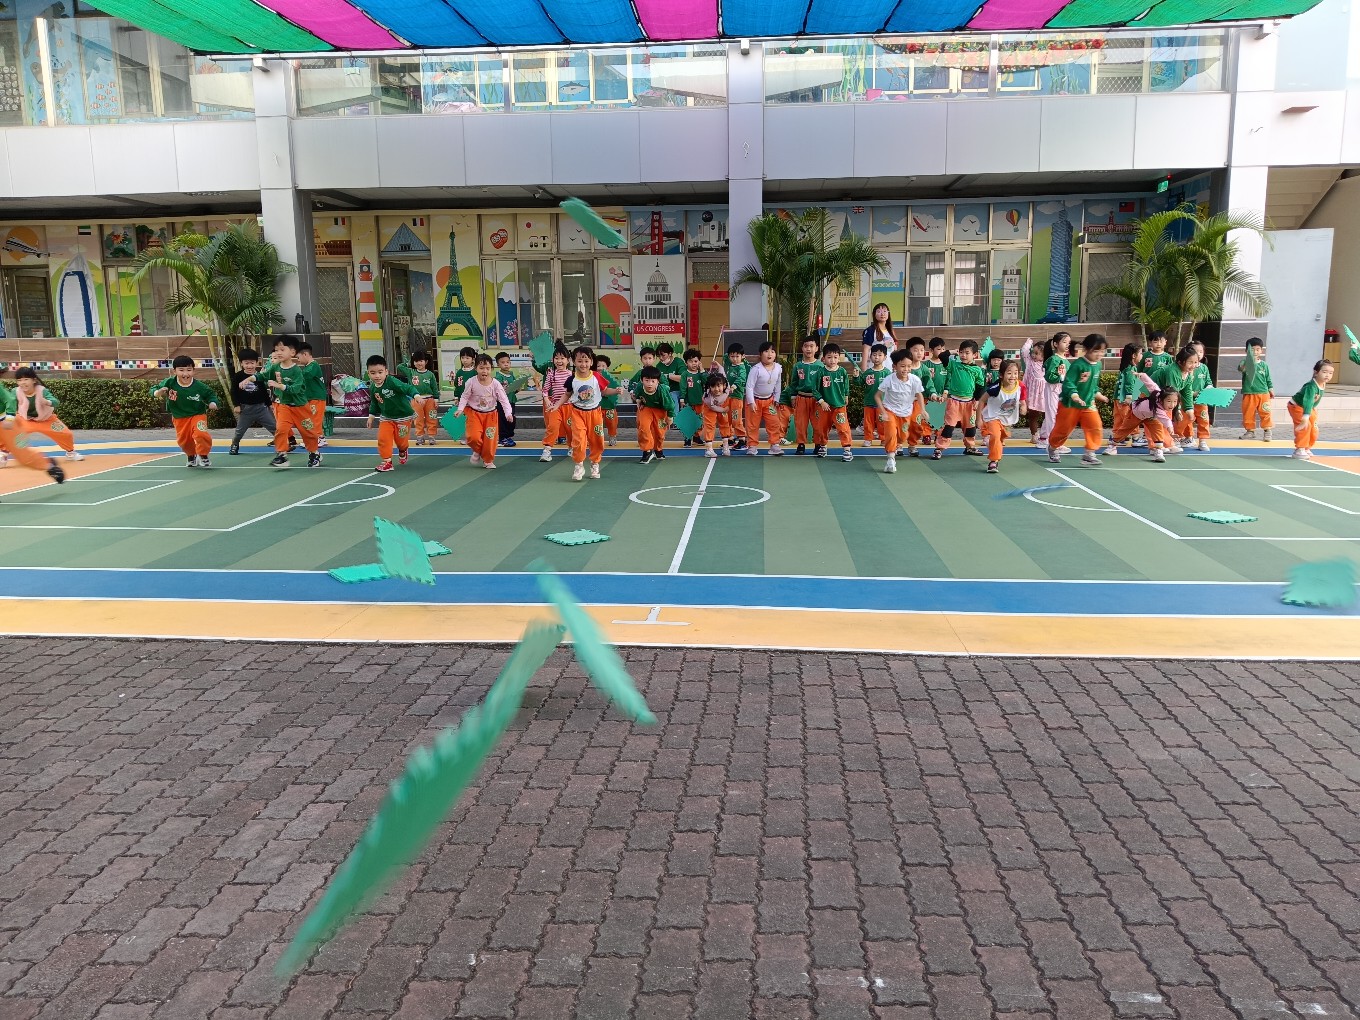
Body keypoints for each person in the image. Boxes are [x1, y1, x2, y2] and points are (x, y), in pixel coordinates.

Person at [255, 336, 322, 468]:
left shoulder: (297, 370)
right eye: (276, 350)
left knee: (308, 432)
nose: (278, 353)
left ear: (292, 352)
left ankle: (314, 453)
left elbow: (296, 389)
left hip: (300, 407)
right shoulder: (275, 367)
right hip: (284, 406)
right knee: (281, 429)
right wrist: (251, 378)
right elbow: (264, 376)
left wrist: (279, 386)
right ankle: (282, 455)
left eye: (282, 349)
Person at [1047, 333, 1109, 466]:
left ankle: (1089, 453)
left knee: (1095, 426)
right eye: (1096, 351)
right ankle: (1053, 447)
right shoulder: (1078, 365)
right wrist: (1075, 396)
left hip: (1088, 403)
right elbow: (1069, 383)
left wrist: (1099, 395)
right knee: (1063, 430)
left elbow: (1093, 385)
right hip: (1070, 404)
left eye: (1102, 351)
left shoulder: (1097, 365)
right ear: (1086, 349)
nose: (1099, 354)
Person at [0, 369, 65, 486]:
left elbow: (10, 400)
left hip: (7, 424)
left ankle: (49, 466)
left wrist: (9, 418)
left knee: (24, 457)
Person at [152, 355, 219, 467]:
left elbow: (211, 395)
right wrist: (158, 393)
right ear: (174, 371)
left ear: (193, 370)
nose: (185, 374)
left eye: (189, 370)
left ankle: (203, 455)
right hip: (179, 417)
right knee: (184, 441)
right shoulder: (169, 382)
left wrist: (213, 403)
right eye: (181, 370)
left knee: (201, 434)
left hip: (198, 414)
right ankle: (191, 455)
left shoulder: (199, 386)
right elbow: (154, 389)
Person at [456, 354, 514, 469]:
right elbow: (464, 396)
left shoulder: (495, 384)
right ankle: (477, 450)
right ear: (476, 368)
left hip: (490, 415)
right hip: (474, 414)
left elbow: (504, 399)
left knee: (490, 439)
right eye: (481, 368)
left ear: (491, 369)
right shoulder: (471, 382)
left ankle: (488, 460)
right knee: (473, 437)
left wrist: (508, 413)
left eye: (487, 368)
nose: (484, 371)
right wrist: (460, 409)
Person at [13, 368, 82, 461]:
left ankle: (70, 453)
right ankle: (3, 454)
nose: (22, 383)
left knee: (66, 434)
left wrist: (47, 402)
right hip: (25, 420)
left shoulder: (42, 391)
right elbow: (9, 403)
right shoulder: (15, 391)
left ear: (34, 380)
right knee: (10, 433)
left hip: (46, 420)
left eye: (26, 379)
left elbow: (56, 402)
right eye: (19, 380)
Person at [932, 339, 984, 460]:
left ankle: (970, 447)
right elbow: (942, 356)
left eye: (967, 353)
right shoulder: (954, 365)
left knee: (970, 427)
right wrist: (952, 351)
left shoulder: (977, 370)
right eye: (961, 352)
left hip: (969, 403)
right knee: (948, 427)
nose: (963, 355)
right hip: (954, 402)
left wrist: (977, 400)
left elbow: (980, 387)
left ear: (975, 355)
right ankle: (939, 448)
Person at [876, 349, 925, 475]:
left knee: (903, 436)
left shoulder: (914, 380)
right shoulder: (889, 379)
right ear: (894, 366)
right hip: (890, 410)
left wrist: (923, 410)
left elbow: (919, 395)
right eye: (903, 366)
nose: (906, 369)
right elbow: (877, 396)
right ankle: (890, 459)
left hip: (905, 413)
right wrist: (883, 412)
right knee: (891, 432)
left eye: (909, 366)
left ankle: (897, 445)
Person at [365, 355, 417, 472]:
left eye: (380, 372)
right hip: (386, 417)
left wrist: (416, 395)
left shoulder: (392, 381)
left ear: (386, 372)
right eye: (373, 373)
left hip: (403, 416)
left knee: (401, 442)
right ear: (368, 374)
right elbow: (374, 402)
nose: (377, 376)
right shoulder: (373, 387)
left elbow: (407, 388)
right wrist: (371, 416)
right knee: (383, 438)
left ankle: (403, 450)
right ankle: (387, 462)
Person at [566, 345, 608, 481]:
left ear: (591, 362)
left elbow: (605, 391)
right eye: (579, 361)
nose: (583, 364)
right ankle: (579, 465)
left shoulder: (596, 376)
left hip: (595, 413)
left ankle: (595, 463)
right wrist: (556, 405)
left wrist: (616, 391)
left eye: (586, 361)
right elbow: (567, 394)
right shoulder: (572, 379)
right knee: (578, 439)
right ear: (574, 361)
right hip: (577, 412)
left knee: (597, 440)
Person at [979, 360, 1026, 474]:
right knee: (995, 436)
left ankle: (993, 444)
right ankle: (993, 461)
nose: (1013, 376)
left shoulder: (1020, 386)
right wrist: (978, 419)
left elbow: (1022, 400)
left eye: (1015, 373)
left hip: (1007, 419)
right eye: (1009, 373)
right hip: (993, 416)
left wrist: (1024, 407)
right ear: (1001, 375)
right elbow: (982, 400)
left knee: (1001, 438)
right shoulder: (996, 388)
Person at [1150, 346, 1199, 455]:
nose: (1193, 365)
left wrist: (1189, 409)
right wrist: (1177, 410)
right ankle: (1155, 446)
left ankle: (1167, 444)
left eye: (1196, 362)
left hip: (1164, 397)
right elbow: (1172, 392)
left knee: (1165, 419)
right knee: (1155, 421)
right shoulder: (1172, 371)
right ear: (1181, 362)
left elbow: (1187, 391)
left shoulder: (1188, 373)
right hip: (1150, 394)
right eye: (1190, 362)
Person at [813, 342, 857, 461]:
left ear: (839, 358)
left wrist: (846, 396)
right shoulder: (820, 372)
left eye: (835, 357)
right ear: (823, 359)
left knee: (843, 428)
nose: (832, 360)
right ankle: (823, 446)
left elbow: (846, 385)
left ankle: (847, 450)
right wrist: (821, 401)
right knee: (822, 428)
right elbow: (814, 389)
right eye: (829, 357)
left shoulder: (842, 371)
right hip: (825, 407)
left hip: (839, 406)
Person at [229, 348, 277, 456]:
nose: (249, 366)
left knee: (274, 427)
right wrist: (236, 405)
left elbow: (264, 392)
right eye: (246, 363)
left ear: (257, 363)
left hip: (261, 409)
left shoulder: (259, 376)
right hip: (246, 410)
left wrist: (269, 404)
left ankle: (282, 445)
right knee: (239, 431)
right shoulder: (238, 376)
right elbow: (233, 392)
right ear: (241, 363)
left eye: (252, 363)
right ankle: (234, 445)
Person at [1105, 343, 1147, 456]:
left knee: (1119, 418)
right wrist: (1129, 396)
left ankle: (1117, 436)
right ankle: (1136, 437)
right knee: (1130, 418)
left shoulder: (1125, 368)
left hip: (1118, 398)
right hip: (1125, 399)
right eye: (1140, 353)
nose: (1142, 355)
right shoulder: (1130, 369)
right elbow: (1129, 384)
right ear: (1134, 355)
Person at [743, 340, 783, 456]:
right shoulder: (756, 369)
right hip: (755, 401)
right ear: (760, 354)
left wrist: (776, 399)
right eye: (766, 351)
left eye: (772, 351)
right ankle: (752, 446)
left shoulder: (778, 368)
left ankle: (774, 445)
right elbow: (749, 386)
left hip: (770, 401)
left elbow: (778, 384)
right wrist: (751, 402)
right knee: (752, 424)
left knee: (774, 423)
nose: (769, 354)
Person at [1289, 359, 1333, 460]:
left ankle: (1307, 447)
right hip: (1297, 406)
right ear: (1316, 372)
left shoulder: (1322, 383)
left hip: (1309, 408)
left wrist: (1313, 409)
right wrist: (1305, 417)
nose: (1327, 375)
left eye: (1330, 373)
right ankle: (1300, 449)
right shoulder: (1311, 386)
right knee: (1306, 426)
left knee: (1314, 428)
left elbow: (1313, 401)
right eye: (1324, 372)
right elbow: (1308, 401)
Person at [1175, 340, 1213, 451]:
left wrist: (1209, 389)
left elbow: (1208, 382)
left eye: (1201, 351)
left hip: (1201, 400)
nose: (1199, 354)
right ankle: (1180, 438)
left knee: (1203, 420)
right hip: (1186, 400)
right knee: (1184, 420)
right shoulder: (1184, 368)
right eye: (1196, 351)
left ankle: (1203, 441)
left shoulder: (1204, 368)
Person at [634, 366, 675, 464]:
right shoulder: (639, 386)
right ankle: (647, 451)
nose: (650, 384)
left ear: (658, 381)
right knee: (643, 427)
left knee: (660, 432)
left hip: (660, 410)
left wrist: (670, 417)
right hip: (646, 408)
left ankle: (658, 449)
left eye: (653, 381)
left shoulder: (662, 391)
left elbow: (670, 405)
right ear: (642, 380)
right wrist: (638, 400)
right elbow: (637, 394)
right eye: (647, 380)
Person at [538, 347, 573, 463]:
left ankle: (572, 447)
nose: (559, 361)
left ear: (568, 360)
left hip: (569, 407)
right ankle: (547, 450)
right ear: (553, 360)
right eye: (556, 358)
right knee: (552, 427)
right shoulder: (551, 374)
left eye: (562, 358)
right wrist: (546, 399)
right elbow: (545, 390)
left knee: (571, 429)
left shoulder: (572, 375)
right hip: (555, 407)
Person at [791, 335, 822, 455]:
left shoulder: (820, 366)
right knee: (800, 423)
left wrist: (823, 399)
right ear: (802, 348)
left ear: (816, 348)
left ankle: (818, 444)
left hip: (816, 399)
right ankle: (801, 444)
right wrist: (793, 396)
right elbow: (794, 383)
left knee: (818, 423)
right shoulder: (798, 366)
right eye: (806, 346)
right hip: (801, 398)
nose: (808, 349)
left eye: (811, 346)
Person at [1238, 337, 1274, 441]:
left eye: (1258, 349)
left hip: (1263, 393)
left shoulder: (1264, 365)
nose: (1255, 352)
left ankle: (1267, 431)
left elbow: (1268, 378)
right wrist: (1249, 361)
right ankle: (1250, 431)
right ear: (1246, 351)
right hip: (1249, 393)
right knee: (1248, 413)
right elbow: (1241, 369)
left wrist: (1270, 388)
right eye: (1252, 349)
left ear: (1261, 351)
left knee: (1265, 412)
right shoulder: (1244, 362)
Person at [1131, 385, 1179, 463]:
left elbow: (1166, 420)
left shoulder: (1160, 410)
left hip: (1152, 417)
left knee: (1158, 430)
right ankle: (1113, 444)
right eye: (1169, 401)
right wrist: (1141, 377)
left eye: (1175, 401)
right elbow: (1148, 382)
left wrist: (1171, 431)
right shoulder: (1155, 390)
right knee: (1123, 431)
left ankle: (1158, 450)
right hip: (1135, 413)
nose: (1172, 405)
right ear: (1162, 400)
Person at [295, 341, 329, 449]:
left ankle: (317, 438)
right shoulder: (309, 367)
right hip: (312, 398)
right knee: (312, 419)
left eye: (298, 357)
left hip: (317, 398)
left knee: (315, 419)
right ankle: (319, 438)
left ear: (305, 354)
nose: (298, 360)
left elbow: (304, 375)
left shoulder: (313, 366)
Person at [903, 338, 934, 456]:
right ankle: (899, 445)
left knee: (916, 424)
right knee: (902, 424)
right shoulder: (904, 367)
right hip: (903, 401)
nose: (919, 353)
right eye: (915, 350)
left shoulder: (924, 369)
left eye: (922, 350)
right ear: (909, 351)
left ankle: (912, 445)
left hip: (916, 402)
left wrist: (933, 393)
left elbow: (929, 384)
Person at [405, 350, 440, 447]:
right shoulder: (411, 372)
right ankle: (420, 436)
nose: (418, 363)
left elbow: (434, 387)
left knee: (432, 418)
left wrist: (436, 399)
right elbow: (400, 367)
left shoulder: (430, 374)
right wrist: (408, 362)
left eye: (421, 361)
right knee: (418, 419)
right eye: (416, 361)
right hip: (416, 400)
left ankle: (432, 436)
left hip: (430, 400)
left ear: (426, 362)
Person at [859, 343, 890, 448]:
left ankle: (883, 438)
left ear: (885, 357)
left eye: (880, 355)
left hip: (882, 404)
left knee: (882, 423)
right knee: (868, 423)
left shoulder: (887, 373)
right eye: (874, 355)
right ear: (870, 356)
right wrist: (856, 377)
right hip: (869, 402)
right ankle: (868, 439)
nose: (876, 357)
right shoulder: (867, 372)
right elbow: (860, 383)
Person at [1020, 338, 1048, 444]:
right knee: (1033, 416)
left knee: (1047, 415)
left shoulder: (1047, 364)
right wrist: (1029, 342)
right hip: (1032, 394)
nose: (1033, 355)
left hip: (1044, 395)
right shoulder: (1029, 362)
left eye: (1037, 353)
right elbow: (1024, 351)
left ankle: (1046, 434)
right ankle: (1034, 435)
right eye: (1033, 352)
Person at [700, 371, 733, 458]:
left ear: (724, 385)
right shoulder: (707, 397)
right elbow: (713, 407)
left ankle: (726, 447)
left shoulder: (727, 389)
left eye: (719, 386)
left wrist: (719, 366)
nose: (716, 389)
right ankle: (709, 449)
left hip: (723, 405)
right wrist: (723, 410)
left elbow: (723, 372)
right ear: (709, 387)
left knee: (725, 424)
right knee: (709, 426)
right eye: (713, 386)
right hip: (710, 409)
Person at [678, 348, 707, 448]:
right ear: (686, 363)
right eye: (691, 361)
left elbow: (707, 381)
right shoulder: (685, 374)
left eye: (696, 361)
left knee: (699, 420)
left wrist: (702, 370)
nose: (694, 364)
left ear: (699, 362)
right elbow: (683, 387)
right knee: (689, 420)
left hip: (700, 402)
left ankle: (696, 437)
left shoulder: (701, 374)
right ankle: (687, 438)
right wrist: (682, 398)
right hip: (688, 402)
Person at [724, 343, 749, 451]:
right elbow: (725, 356)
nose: (734, 359)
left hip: (736, 398)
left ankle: (742, 439)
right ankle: (730, 438)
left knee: (736, 419)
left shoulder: (741, 367)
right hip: (728, 397)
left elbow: (742, 378)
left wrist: (734, 386)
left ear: (742, 356)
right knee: (727, 418)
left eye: (737, 356)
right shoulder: (730, 364)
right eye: (732, 356)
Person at [595, 353, 621, 447]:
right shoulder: (592, 378)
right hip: (596, 407)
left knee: (612, 423)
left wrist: (617, 391)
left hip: (609, 406)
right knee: (596, 424)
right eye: (598, 366)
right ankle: (597, 439)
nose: (600, 368)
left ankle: (612, 436)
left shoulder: (611, 379)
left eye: (603, 366)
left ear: (607, 368)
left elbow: (615, 389)